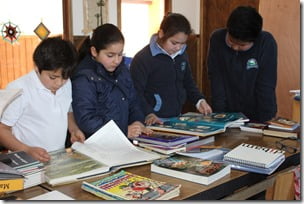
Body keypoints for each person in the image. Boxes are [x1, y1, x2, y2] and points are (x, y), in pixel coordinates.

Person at [0, 37, 85, 162]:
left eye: (65, 77)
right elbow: (2, 130)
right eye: (52, 77)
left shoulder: (67, 83)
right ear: (36, 67)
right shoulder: (18, 89)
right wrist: (27, 150)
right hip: (26, 161)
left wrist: (73, 129)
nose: (59, 83)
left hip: (57, 160)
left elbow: (67, 111)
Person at [130, 13, 212, 126]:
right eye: (174, 43)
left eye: (182, 44)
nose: (178, 48)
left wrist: (199, 100)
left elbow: (188, 82)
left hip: (177, 118)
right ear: (161, 34)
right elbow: (136, 93)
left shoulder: (181, 55)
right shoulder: (143, 58)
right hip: (153, 120)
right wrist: (148, 113)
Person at [71, 23, 151, 139]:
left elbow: (134, 103)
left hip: (123, 141)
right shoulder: (84, 78)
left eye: (120, 54)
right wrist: (122, 131)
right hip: (98, 144)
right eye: (110, 55)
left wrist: (137, 122)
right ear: (94, 52)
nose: (117, 61)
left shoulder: (123, 71)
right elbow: (86, 119)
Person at [207, 6, 277, 123]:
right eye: (231, 41)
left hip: (259, 113)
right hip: (227, 114)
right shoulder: (217, 39)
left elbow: (266, 86)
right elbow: (216, 80)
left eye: (242, 45)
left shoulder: (266, 43)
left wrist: (266, 122)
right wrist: (219, 116)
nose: (235, 47)